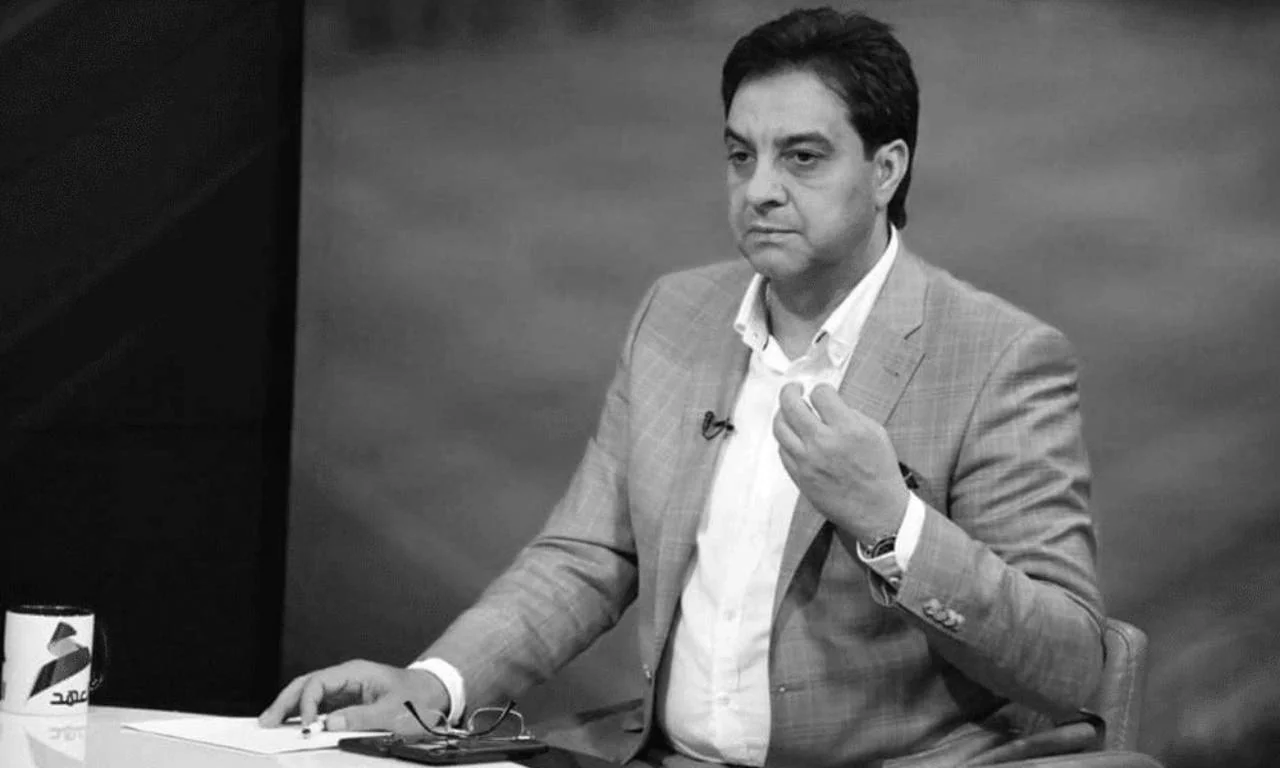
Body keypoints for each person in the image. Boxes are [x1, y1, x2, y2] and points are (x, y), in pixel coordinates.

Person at [261, 7, 1107, 766]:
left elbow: (1071, 663)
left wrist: (895, 524)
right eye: (741, 156)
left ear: (886, 169)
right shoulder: (675, 314)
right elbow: (588, 555)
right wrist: (436, 684)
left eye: (802, 157)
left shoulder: (1000, 358)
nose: (760, 190)